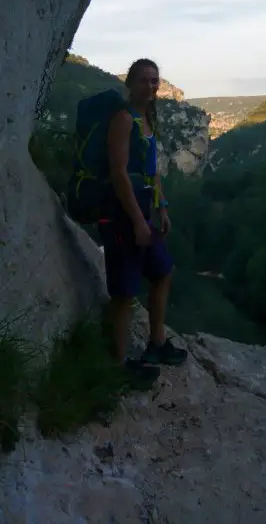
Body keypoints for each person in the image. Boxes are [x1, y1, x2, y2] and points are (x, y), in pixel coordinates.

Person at [99, 57, 187, 386]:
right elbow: (119, 174)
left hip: (145, 213)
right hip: (124, 214)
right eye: (144, 80)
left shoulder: (147, 119)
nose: (150, 86)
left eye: (155, 80)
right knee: (124, 292)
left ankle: (157, 343)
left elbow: (152, 171)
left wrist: (161, 207)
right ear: (130, 84)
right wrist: (138, 220)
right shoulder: (123, 119)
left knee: (164, 271)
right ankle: (118, 366)